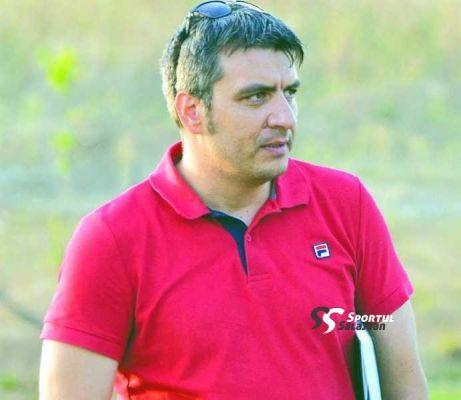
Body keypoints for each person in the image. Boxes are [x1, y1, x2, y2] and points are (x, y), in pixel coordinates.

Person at [39, 1, 428, 399]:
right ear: (192, 111)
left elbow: (406, 385)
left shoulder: (346, 204)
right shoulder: (112, 238)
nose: (285, 118)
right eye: (256, 97)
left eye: (289, 93)